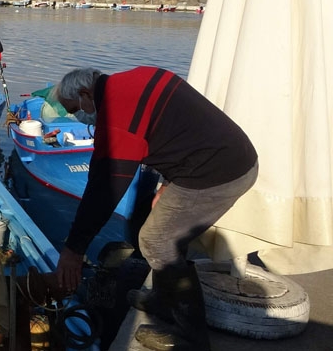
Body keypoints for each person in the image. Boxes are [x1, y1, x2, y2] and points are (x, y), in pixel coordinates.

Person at [53, 66, 258, 351]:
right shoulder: (136, 77)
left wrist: (74, 250)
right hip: (224, 158)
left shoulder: (115, 117)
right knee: (164, 231)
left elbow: (104, 191)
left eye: (75, 109)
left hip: (220, 172)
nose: (77, 117)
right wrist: (166, 182)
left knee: (156, 240)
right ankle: (163, 301)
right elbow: (179, 128)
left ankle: (191, 338)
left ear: (87, 94)